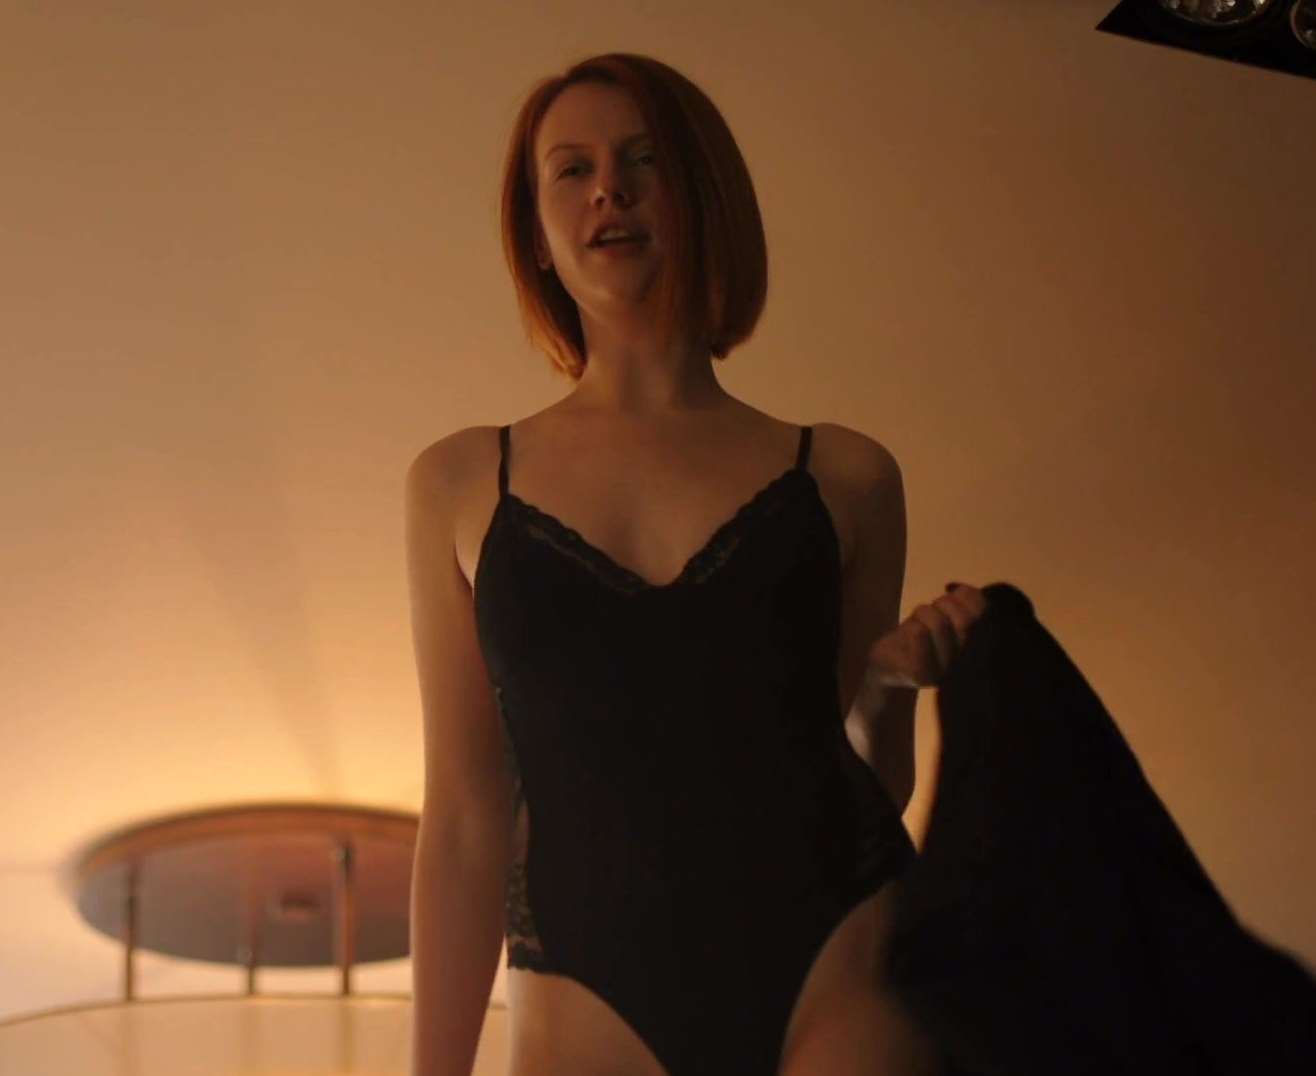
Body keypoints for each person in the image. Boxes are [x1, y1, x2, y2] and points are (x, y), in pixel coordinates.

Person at [404, 51, 987, 1076]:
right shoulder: (459, 482)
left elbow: (862, 782)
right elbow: (462, 817)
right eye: (572, 169)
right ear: (535, 231)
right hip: (583, 1002)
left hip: (836, 972)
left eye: (643, 161)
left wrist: (890, 689)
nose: (609, 190)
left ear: (699, 195)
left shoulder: (846, 473)